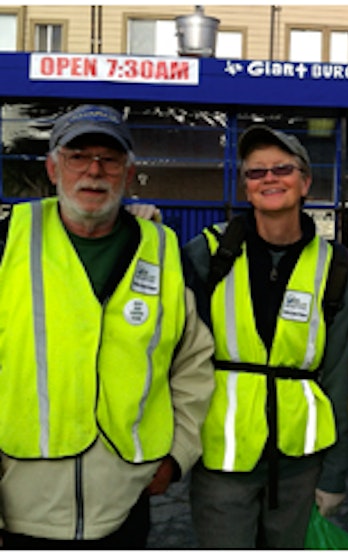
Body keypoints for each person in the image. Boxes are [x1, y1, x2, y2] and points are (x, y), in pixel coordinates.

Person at [0, 104, 215, 548]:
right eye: (78, 156)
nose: (94, 171)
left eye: (109, 159)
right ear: (52, 167)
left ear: (128, 172)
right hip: (19, 504)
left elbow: (193, 364)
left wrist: (177, 455)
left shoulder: (164, 252)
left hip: (123, 506)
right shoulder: (8, 243)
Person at [183, 124, 348, 548]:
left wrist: (335, 473)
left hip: (299, 465)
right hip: (222, 461)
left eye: (282, 169)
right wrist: (139, 222)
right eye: (256, 172)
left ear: (305, 183)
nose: (269, 179)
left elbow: (340, 375)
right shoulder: (207, 254)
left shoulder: (333, 268)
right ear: (245, 187)